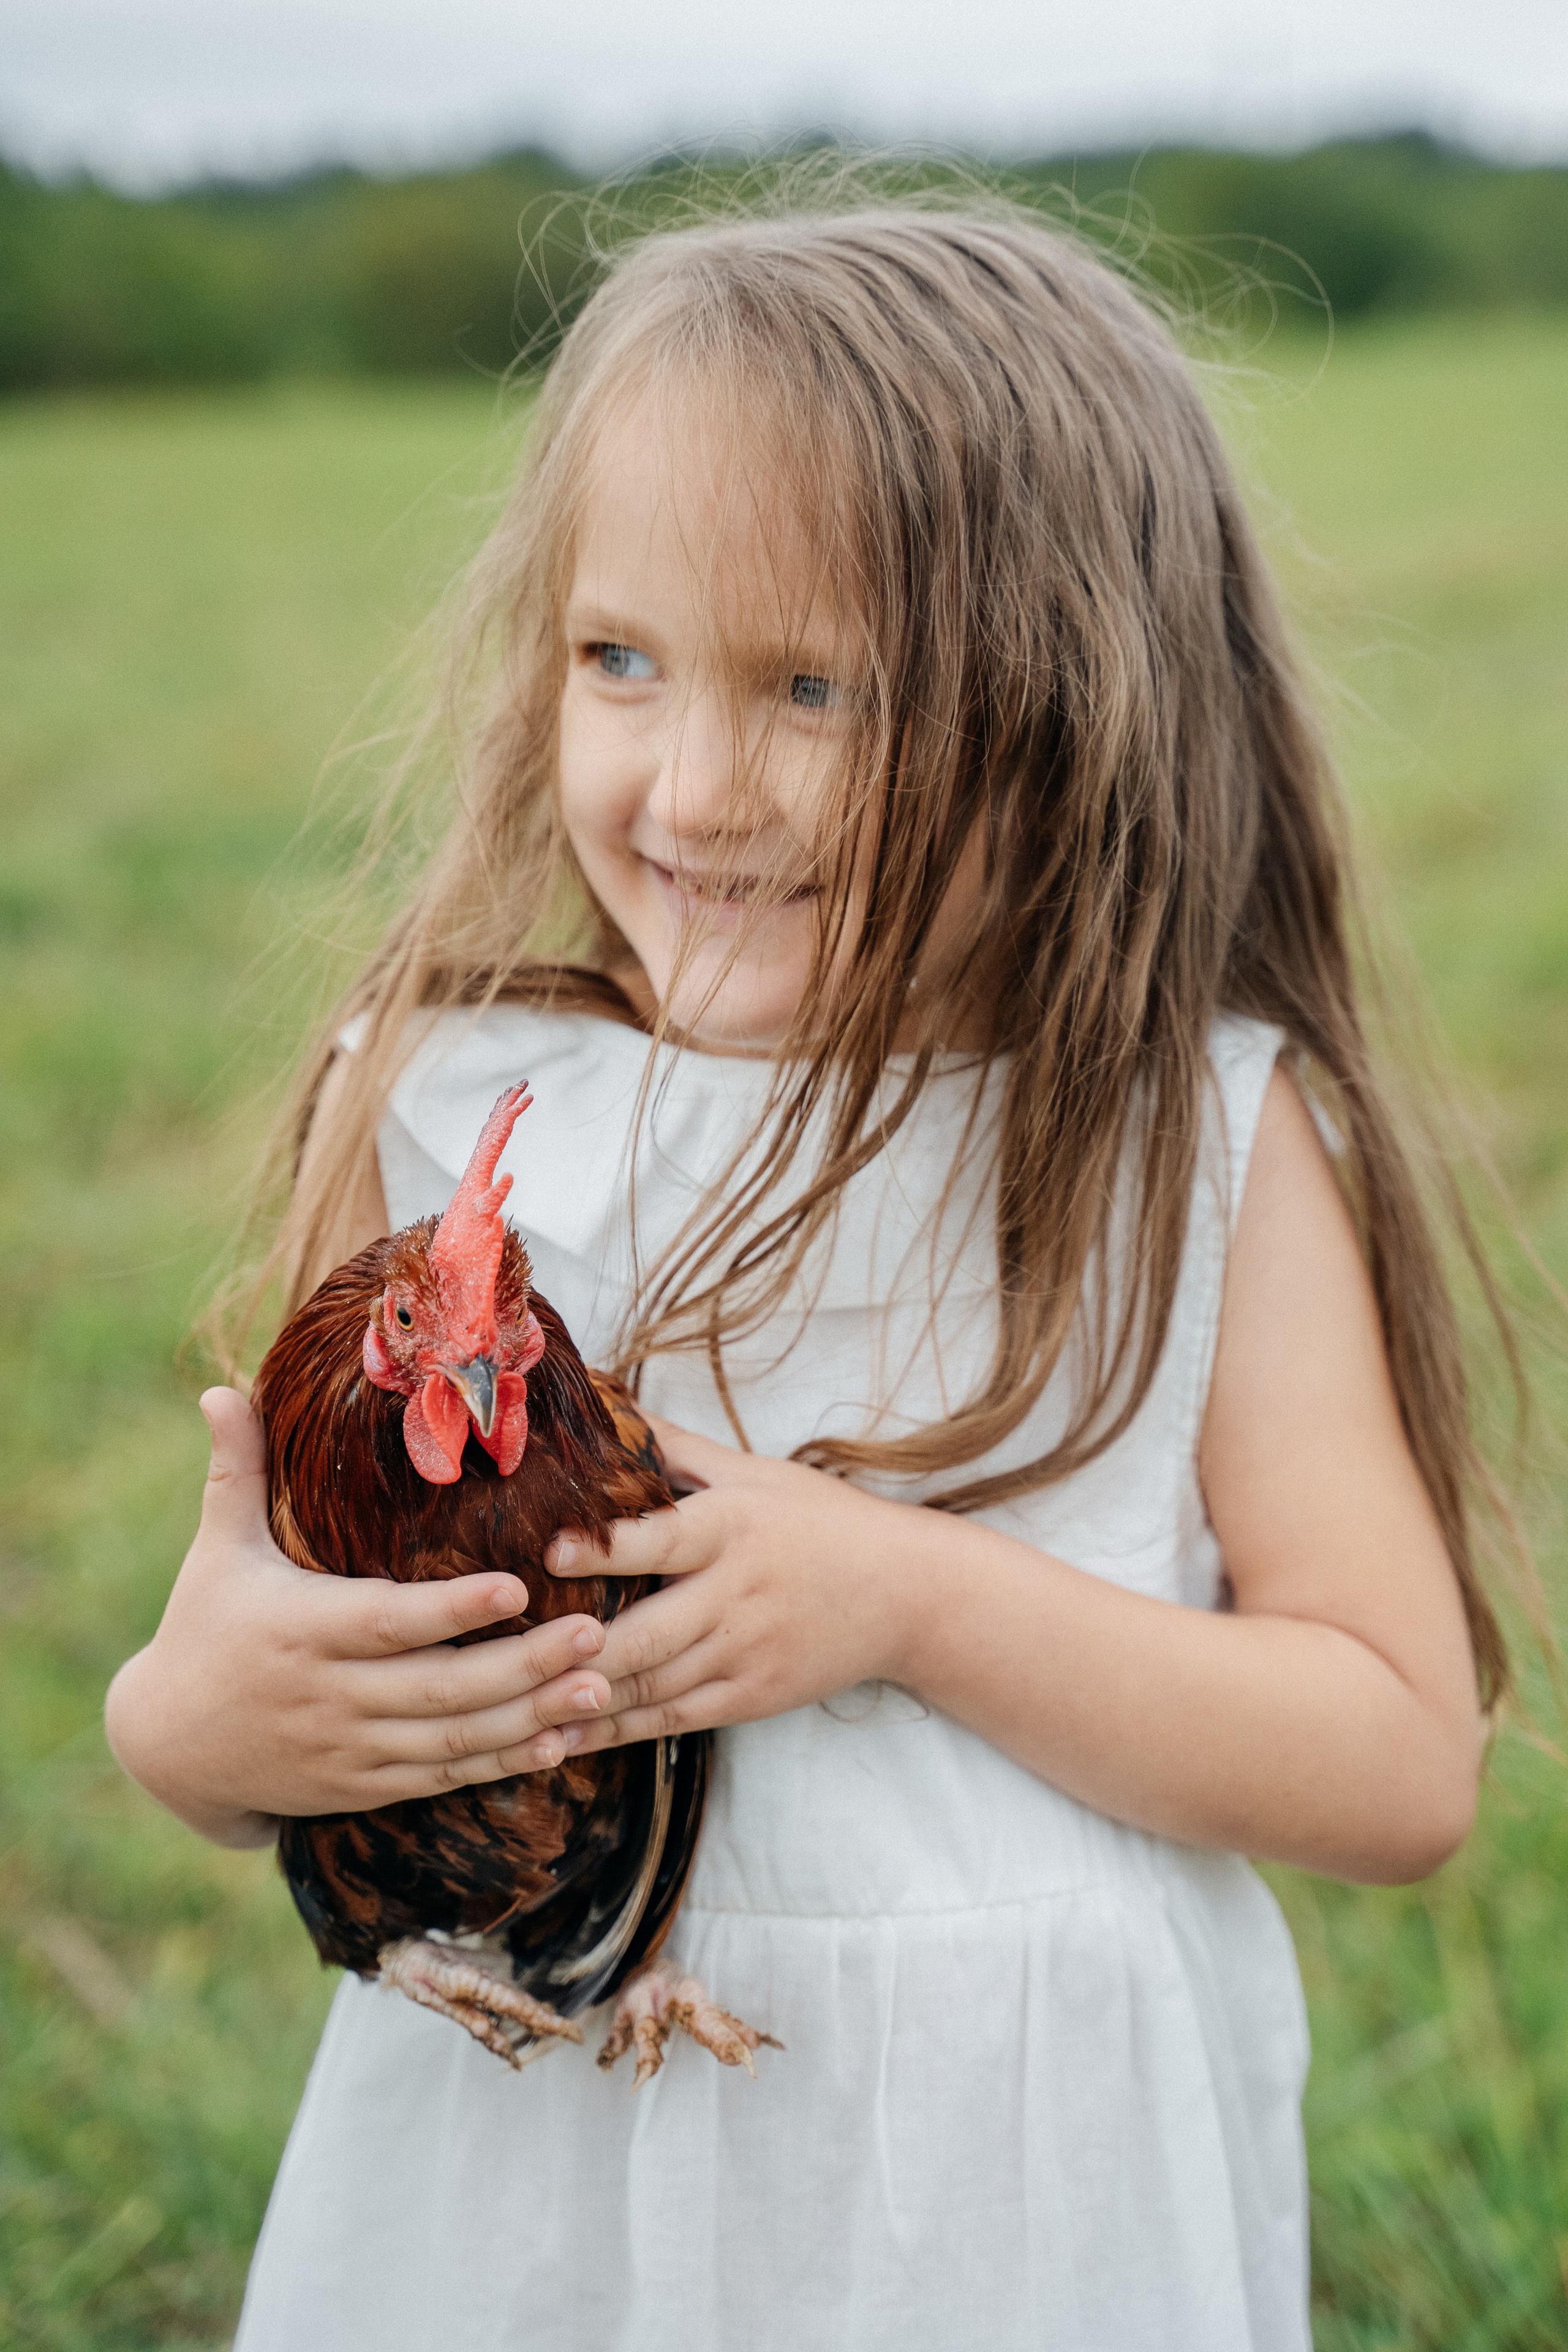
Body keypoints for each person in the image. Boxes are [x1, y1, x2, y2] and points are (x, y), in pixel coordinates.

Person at [105, 201, 1503, 2351]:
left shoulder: (1186, 1142)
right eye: (621, 659)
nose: (688, 785)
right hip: (521, 2168)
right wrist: (193, 1725)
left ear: (1073, 715)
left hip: (1009, 2204)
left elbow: (1401, 1761)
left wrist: (915, 1599)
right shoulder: (451, 1110)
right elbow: (284, 1696)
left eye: (818, 686)